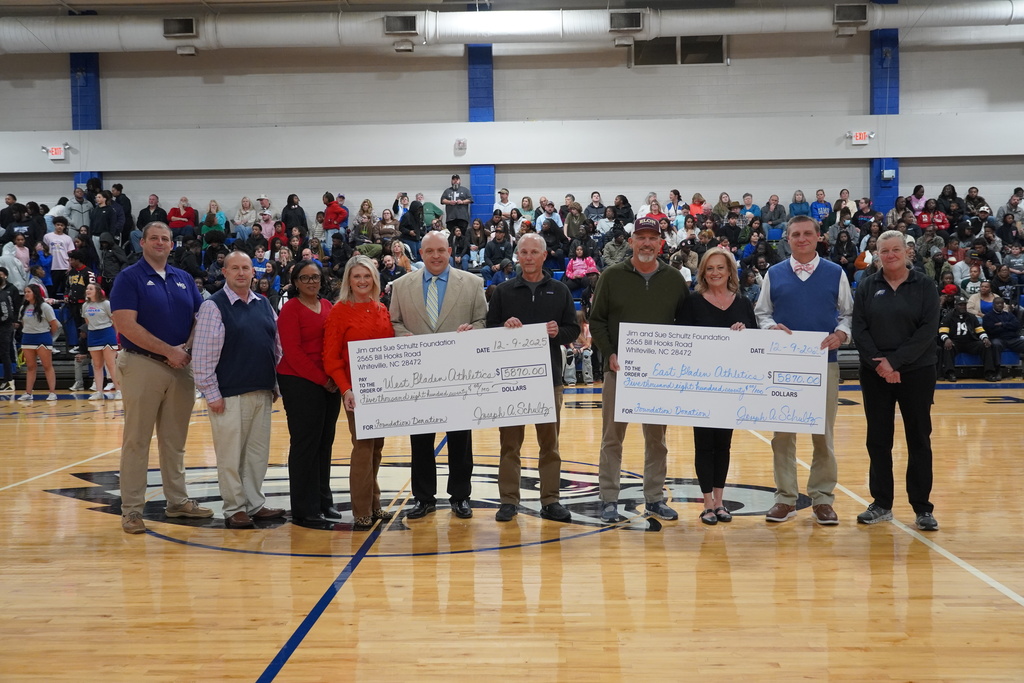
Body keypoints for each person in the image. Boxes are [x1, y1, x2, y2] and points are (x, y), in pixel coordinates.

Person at [110, 221, 213, 534]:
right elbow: (126, 325)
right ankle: (131, 510)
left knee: (174, 441)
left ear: (172, 245)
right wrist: (169, 350)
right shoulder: (129, 278)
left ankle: (177, 502)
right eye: (153, 238)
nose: (159, 242)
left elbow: (202, 317)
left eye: (165, 238)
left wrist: (186, 348)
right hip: (143, 364)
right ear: (142, 243)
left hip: (181, 366)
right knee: (136, 441)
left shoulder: (183, 278)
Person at [590, 217, 689, 523]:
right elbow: (597, 320)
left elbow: (686, 326)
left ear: (661, 243)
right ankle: (608, 498)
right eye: (641, 237)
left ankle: (655, 497)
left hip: (658, 376)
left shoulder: (674, 280)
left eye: (652, 238)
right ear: (631, 241)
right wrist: (609, 354)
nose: (647, 243)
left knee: (657, 440)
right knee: (611, 437)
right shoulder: (611, 275)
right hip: (619, 371)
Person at [755, 215, 852, 525]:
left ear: (818, 236)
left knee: (823, 435)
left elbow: (848, 314)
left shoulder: (835, 273)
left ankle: (822, 498)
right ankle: (786, 498)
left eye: (807, 233)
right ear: (787, 238)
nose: (801, 239)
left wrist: (841, 334)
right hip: (782, 367)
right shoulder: (774, 273)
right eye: (795, 234)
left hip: (825, 366)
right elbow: (762, 313)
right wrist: (770, 328)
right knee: (782, 436)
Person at [389, 231, 488, 519]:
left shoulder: (472, 283)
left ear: (449, 252)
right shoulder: (400, 285)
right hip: (418, 377)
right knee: (420, 440)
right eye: (429, 250)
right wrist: (402, 335)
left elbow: (482, 321)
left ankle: (460, 496)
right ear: (420, 253)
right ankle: (423, 498)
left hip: (458, 375)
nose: (435, 255)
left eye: (441, 250)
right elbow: (393, 321)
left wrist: (474, 331)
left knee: (460, 439)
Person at [486, 232, 579, 523]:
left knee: (549, 444)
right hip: (510, 382)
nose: (528, 257)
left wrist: (557, 333)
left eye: (533, 252)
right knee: (509, 444)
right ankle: (509, 501)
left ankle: (551, 500)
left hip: (549, 380)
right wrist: (504, 326)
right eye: (523, 252)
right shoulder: (502, 291)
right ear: (517, 255)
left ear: (544, 255)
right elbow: (489, 332)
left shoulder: (561, 290)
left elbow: (572, 330)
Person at [852, 230, 940, 531]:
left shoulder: (925, 285)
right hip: (876, 371)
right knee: (878, 439)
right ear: (877, 254)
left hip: (916, 371)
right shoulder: (867, 286)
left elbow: (928, 330)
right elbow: (859, 329)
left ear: (907, 252)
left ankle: (922, 507)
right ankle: (881, 504)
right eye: (884, 251)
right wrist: (881, 363)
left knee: (918, 438)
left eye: (895, 250)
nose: (890, 255)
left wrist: (896, 362)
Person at [192, 251, 285, 528]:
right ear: (225, 272)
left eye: (246, 268)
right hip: (228, 394)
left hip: (262, 391)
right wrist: (211, 393)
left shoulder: (264, 304)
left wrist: (275, 383)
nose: (241, 273)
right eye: (235, 268)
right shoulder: (213, 306)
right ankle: (234, 508)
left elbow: (277, 347)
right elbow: (202, 355)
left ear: (253, 272)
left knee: (257, 454)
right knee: (230, 455)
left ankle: (254, 503)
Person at [678, 248, 756, 525]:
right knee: (704, 445)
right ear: (702, 272)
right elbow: (682, 344)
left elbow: (755, 345)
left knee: (723, 445)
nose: (715, 273)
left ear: (729, 271)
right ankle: (707, 503)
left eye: (720, 268)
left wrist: (743, 335)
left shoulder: (743, 304)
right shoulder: (692, 303)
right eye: (709, 268)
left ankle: (721, 502)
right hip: (701, 386)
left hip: (731, 387)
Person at [322, 255, 397, 530]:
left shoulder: (381, 309)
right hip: (356, 393)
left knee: (377, 448)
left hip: (383, 392)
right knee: (363, 448)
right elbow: (331, 358)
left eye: (367, 276)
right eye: (357, 277)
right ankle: (361, 509)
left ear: (375, 280)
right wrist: (346, 389)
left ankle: (375, 504)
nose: (362, 281)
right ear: (348, 281)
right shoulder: (339, 311)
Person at [939, 295, 999, 382]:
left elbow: (979, 330)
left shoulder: (971, 317)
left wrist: (985, 338)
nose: (963, 307)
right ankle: (950, 373)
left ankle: (989, 373)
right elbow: (942, 331)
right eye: (960, 305)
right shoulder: (948, 316)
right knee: (948, 347)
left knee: (985, 345)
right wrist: (946, 339)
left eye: (964, 305)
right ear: (955, 305)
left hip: (970, 342)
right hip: (955, 342)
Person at [15, 284, 59, 402]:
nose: (26, 294)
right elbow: (23, 323)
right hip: (27, 338)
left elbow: (55, 325)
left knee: (47, 366)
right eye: (25, 292)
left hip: (42, 338)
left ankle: (52, 393)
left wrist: (47, 336)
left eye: (28, 292)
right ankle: (28, 393)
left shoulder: (45, 307)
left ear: (35, 293)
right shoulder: (23, 308)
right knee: (30, 367)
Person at [82, 283, 121, 400]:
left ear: (97, 291)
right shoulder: (85, 305)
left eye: (90, 288)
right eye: (87, 289)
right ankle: (99, 391)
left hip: (107, 333)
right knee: (97, 365)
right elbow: (87, 321)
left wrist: (116, 335)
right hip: (93, 334)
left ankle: (119, 390)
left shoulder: (106, 304)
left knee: (110, 364)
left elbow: (114, 320)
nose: (88, 290)